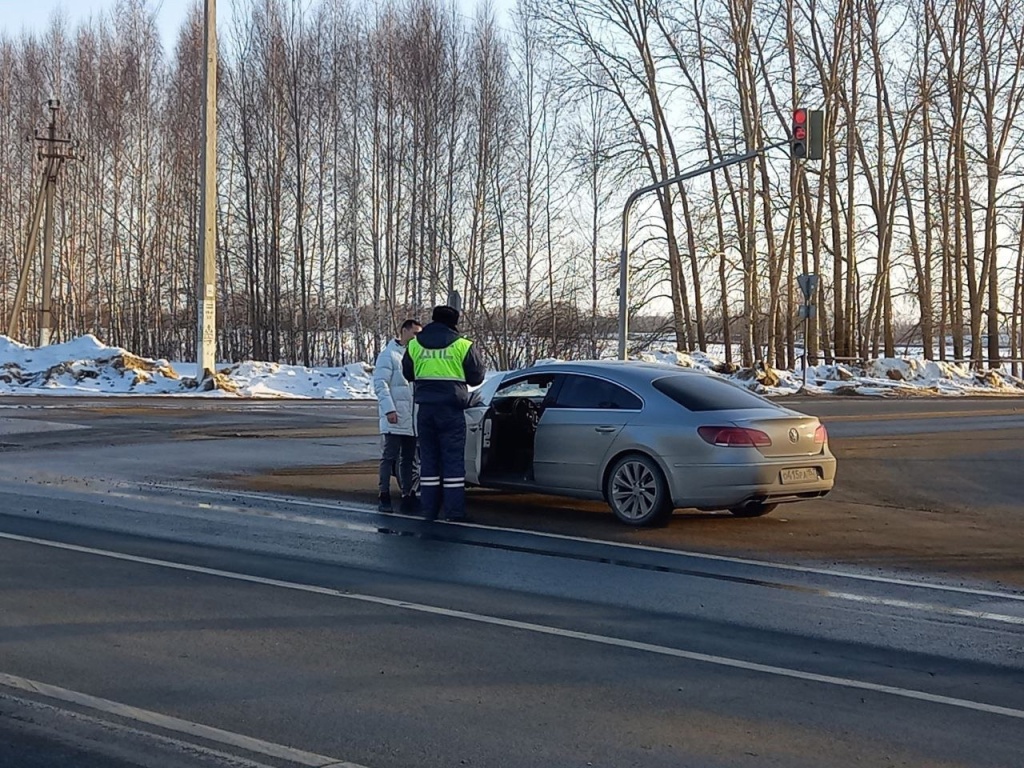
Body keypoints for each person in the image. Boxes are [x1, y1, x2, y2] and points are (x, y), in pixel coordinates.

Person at [402, 305, 486, 521]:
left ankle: (429, 509)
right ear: (454, 322)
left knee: (428, 461)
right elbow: (476, 377)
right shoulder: (462, 345)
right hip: (451, 410)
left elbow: (408, 373)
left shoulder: (414, 345)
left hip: (426, 410)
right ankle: (454, 512)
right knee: (452, 462)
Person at [373, 319, 422, 514]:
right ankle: (383, 494)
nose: (417, 337)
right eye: (415, 333)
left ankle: (407, 494)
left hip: (412, 418)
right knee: (389, 456)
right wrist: (389, 410)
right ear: (404, 331)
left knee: (409, 459)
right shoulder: (388, 355)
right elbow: (381, 385)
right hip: (395, 416)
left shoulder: (418, 355)